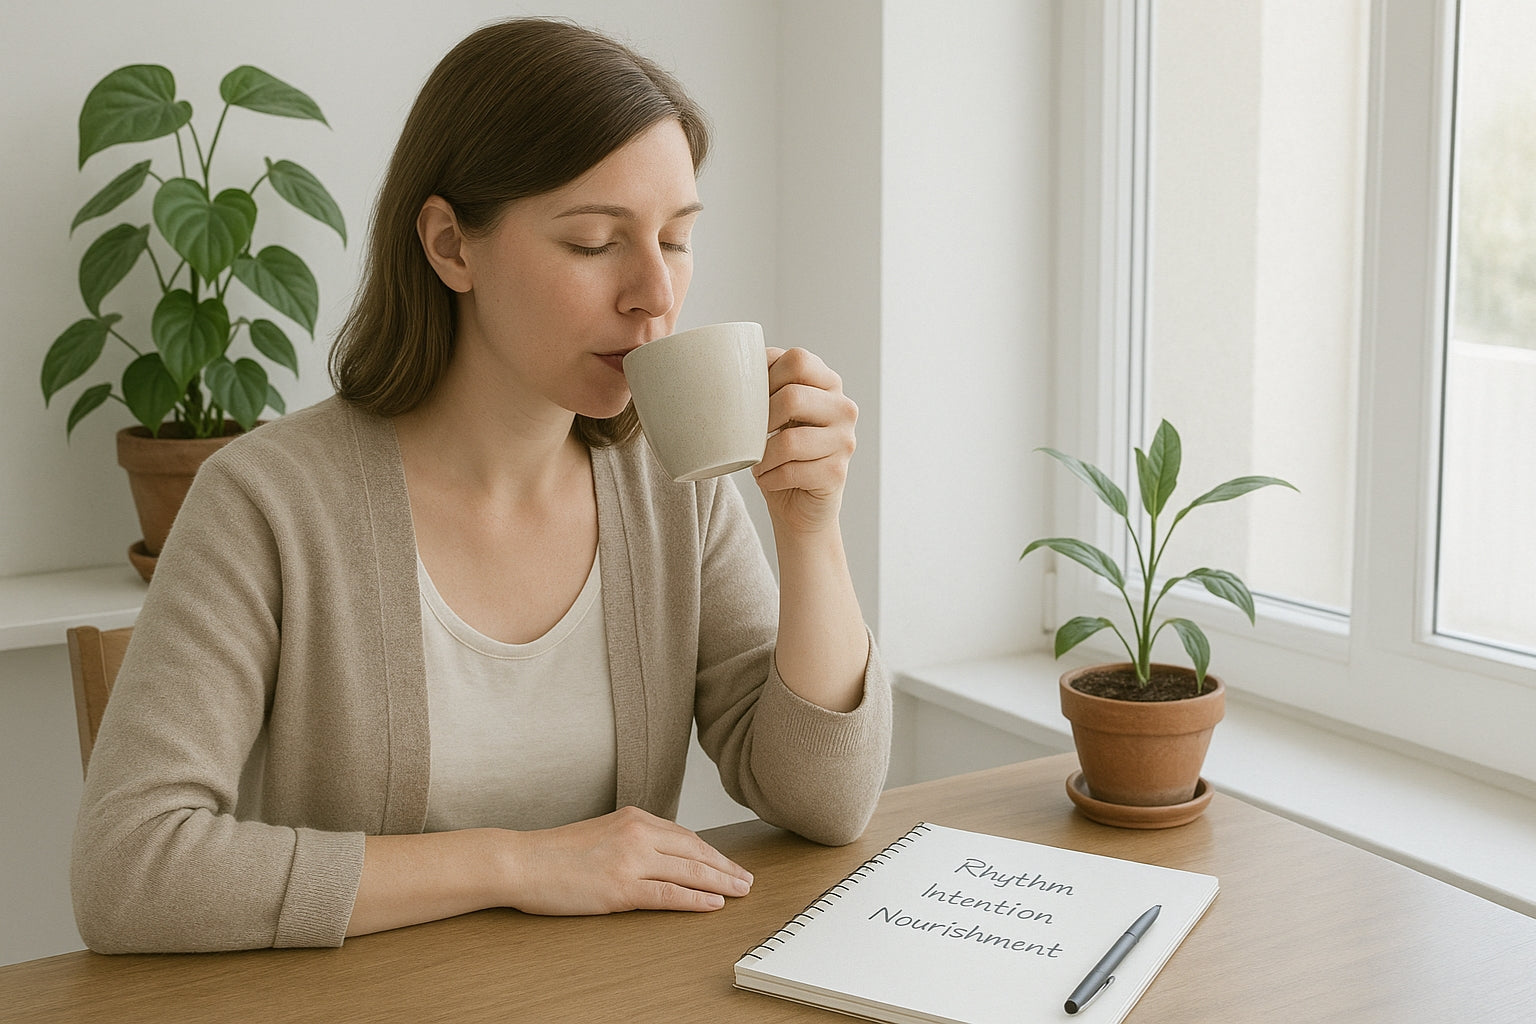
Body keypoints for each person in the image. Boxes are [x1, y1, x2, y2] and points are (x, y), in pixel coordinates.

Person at [70, 17, 891, 953]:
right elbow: (129, 871)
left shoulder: (672, 484)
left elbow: (823, 802)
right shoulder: (266, 502)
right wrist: (520, 863)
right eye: (593, 242)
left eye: (676, 239)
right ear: (451, 246)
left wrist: (810, 526)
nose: (656, 294)